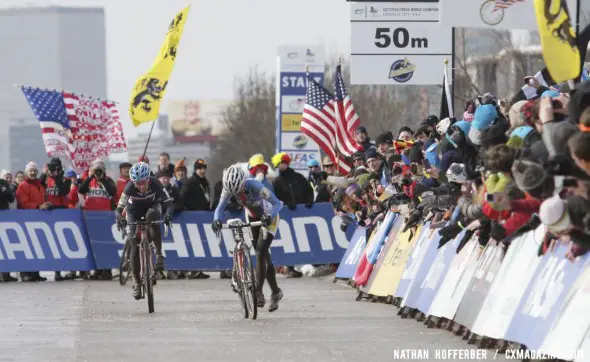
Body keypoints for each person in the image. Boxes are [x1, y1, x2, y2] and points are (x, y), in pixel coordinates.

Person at [212, 164, 284, 312]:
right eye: (233, 192)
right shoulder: (228, 189)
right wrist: (216, 220)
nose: (236, 194)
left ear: (243, 183)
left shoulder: (255, 186)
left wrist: (269, 216)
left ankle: (258, 291)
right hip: (251, 217)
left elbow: (277, 203)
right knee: (265, 257)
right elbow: (219, 209)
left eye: (238, 190)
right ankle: (276, 292)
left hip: (269, 216)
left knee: (260, 252)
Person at [115, 162, 174, 300]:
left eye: (143, 182)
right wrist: (119, 217)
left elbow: (169, 203)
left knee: (152, 217)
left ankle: (159, 255)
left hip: (151, 207)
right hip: (133, 211)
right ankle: (136, 282)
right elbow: (118, 209)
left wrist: (168, 215)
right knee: (133, 242)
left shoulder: (156, 184)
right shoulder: (129, 187)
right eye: (137, 183)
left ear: (148, 178)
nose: (140, 186)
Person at [79, 159, 117, 280]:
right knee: (93, 245)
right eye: (96, 170)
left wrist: (102, 179)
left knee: (105, 245)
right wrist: (91, 177)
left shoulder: (108, 181)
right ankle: (97, 270)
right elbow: (81, 190)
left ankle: (106, 270)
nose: (98, 173)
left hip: (105, 217)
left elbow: (113, 190)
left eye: (100, 170)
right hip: (91, 217)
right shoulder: (90, 182)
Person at [179, 159, 212, 279]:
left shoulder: (205, 182)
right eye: (200, 168)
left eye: (204, 168)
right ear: (195, 169)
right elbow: (181, 198)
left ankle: (198, 269)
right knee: (192, 244)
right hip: (192, 217)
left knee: (201, 245)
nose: (202, 171)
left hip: (203, 216)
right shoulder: (189, 183)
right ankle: (191, 270)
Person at [16, 162, 48, 282]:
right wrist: (38, 206)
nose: (33, 172)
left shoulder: (40, 185)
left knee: (36, 246)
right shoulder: (23, 185)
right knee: (26, 247)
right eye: (31, 171)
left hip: (38, 219)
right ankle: (25, 273)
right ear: (26, 172)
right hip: (27, 219)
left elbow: (43, 200)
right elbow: (22, 202)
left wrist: (46, 205)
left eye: (35, 170)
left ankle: (35, 272)